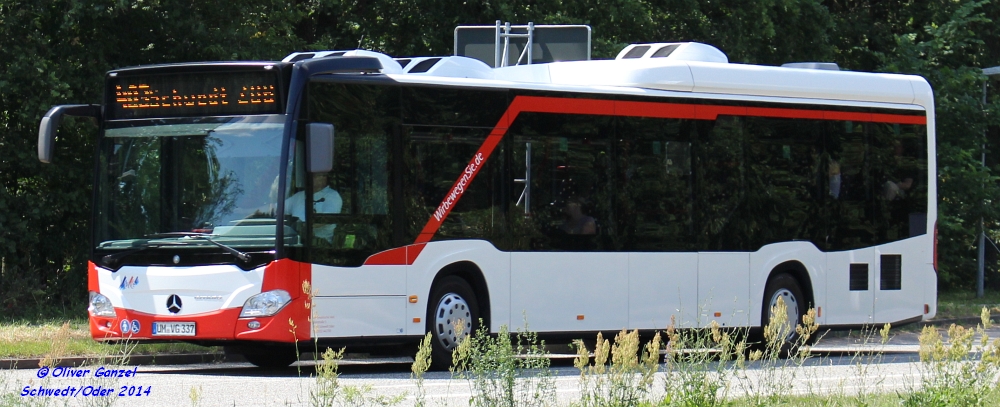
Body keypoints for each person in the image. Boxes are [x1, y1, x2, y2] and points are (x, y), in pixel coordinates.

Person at [285, 172, 343, 240]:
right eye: (310, 175)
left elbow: (326, 219)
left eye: (315, 176)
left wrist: (302, 226)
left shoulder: (332, 196)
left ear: (324, 178)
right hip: (297, 242)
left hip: (320, 244)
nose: (309, 178)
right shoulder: (299, 196)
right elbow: (277, 209)